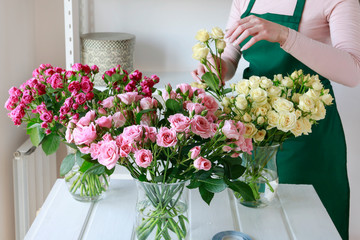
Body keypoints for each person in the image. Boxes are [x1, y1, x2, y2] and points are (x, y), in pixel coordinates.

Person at [191, 0, 360, 239]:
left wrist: (284, 35)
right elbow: (230, 57)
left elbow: (353, 72)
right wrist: (216, 68)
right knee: (257, 222)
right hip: (254, 130)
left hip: (309, 136)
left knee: (309, 224)